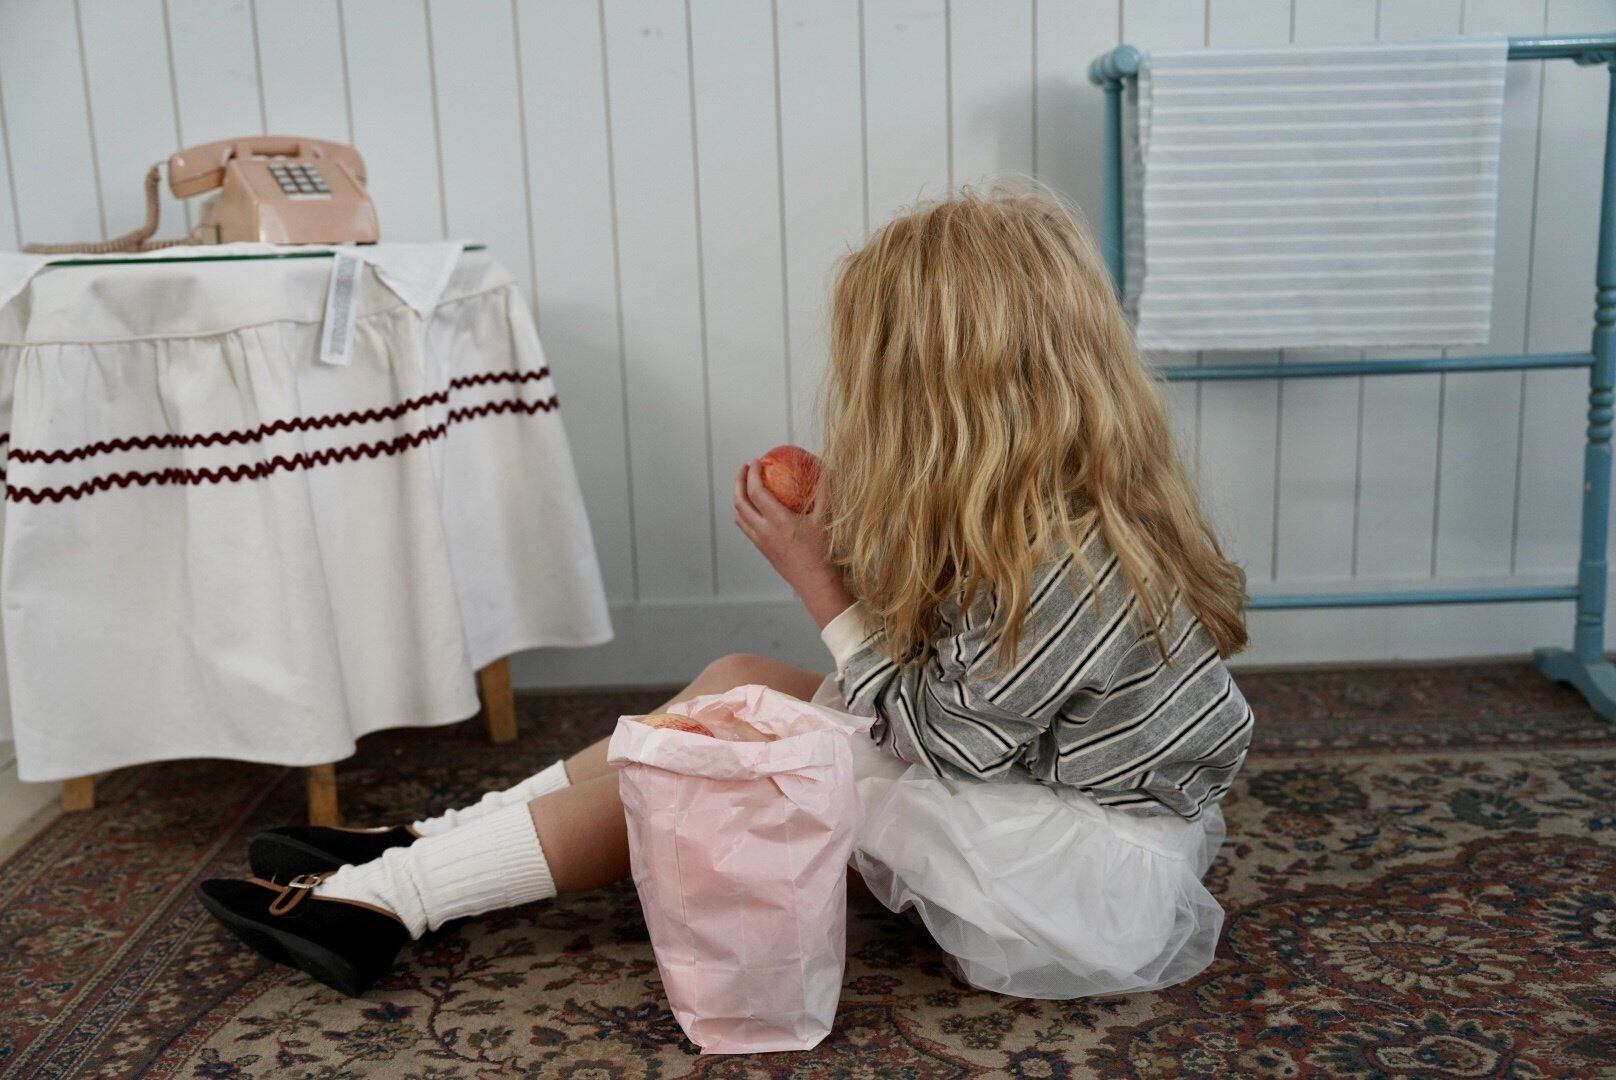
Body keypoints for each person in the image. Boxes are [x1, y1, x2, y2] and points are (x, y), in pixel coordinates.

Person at [198, 187, 1253, 1000]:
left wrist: (818, 580)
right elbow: (956, 685)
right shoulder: (1051, 504)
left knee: (721, 754)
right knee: (742, 680)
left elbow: (947, 742)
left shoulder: (1064, 565)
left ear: (937, 401)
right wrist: (849, 556)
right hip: (1032, 797)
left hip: (1072, 878)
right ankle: (429, 841)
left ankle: (395, 899)